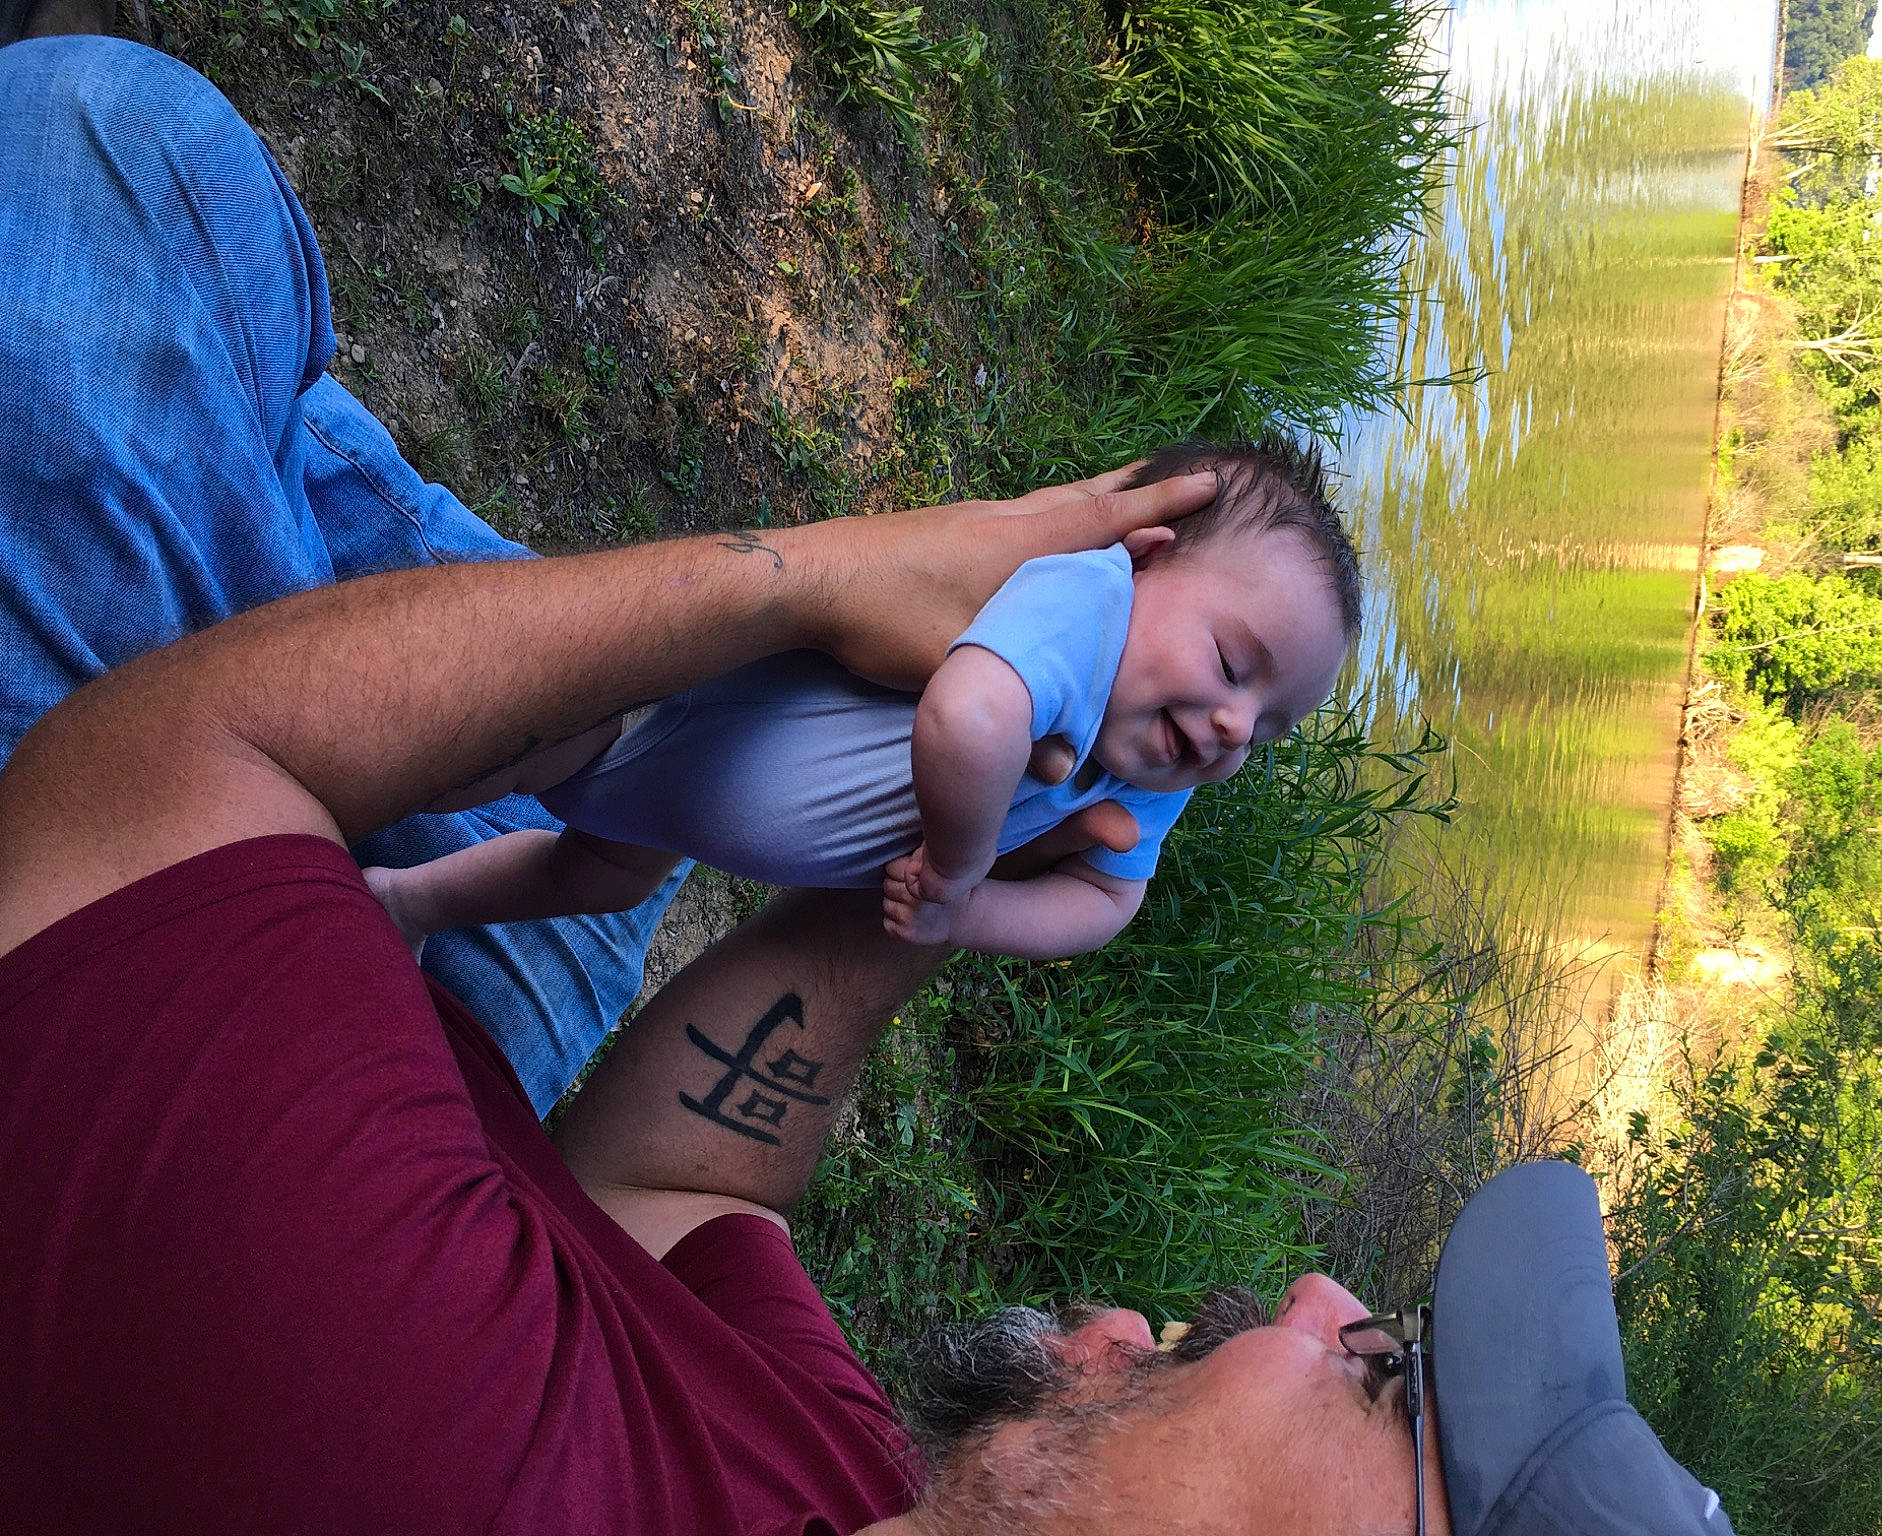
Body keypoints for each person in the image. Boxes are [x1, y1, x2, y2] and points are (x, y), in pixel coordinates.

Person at [0, 22, 1737, 1536]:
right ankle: (270, 483)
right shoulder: (870, 1488)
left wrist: (813, 575)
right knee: (323, 522)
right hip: (531, 1090)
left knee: (107, 167)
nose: (1315, 1289)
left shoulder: (426, 1443)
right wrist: (960, 871)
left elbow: (178, 763)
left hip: (182, 889)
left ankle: (257, 484)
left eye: (1381, 1380)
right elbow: (689, 1194)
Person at [362, 437, 1361, 962]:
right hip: (649, 706)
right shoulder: (1085, 605)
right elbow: (968, 715)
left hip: (671, 817)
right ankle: (334, 787)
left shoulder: (1152, 752)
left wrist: (963, 914)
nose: (1234, 728)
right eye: (1233, 665)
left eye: (1268, 730)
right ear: (1141, 557)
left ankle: (407, 903)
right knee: (475, 739)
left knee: (599, 877)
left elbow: (1107, 901)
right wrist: (962, 862)